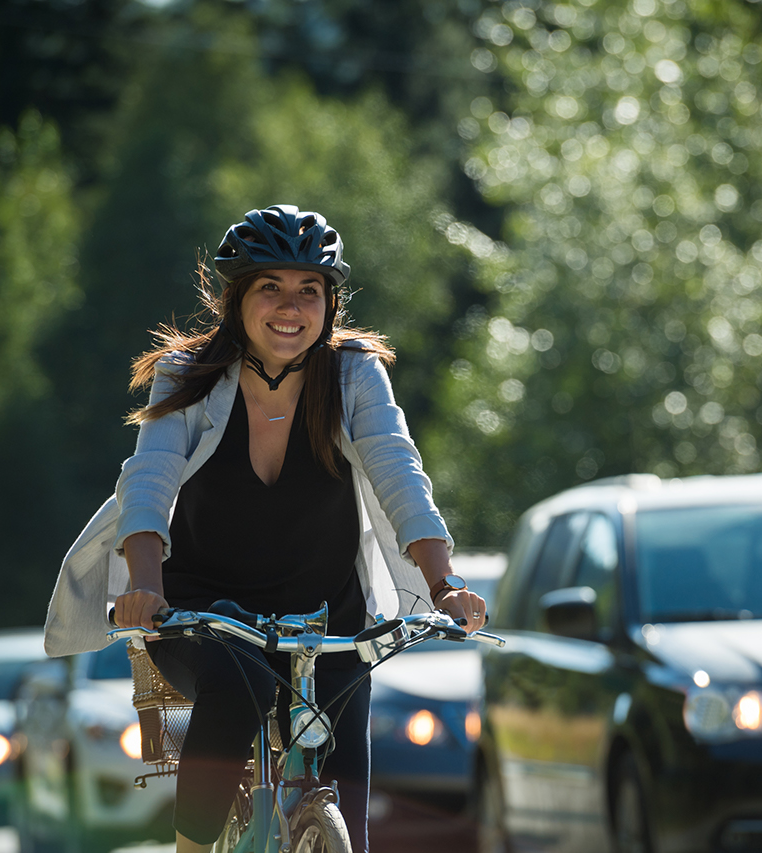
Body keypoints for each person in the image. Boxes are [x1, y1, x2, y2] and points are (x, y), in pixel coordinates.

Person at [43, 204, 486, 852]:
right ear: (236, 298)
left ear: (330, 302)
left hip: (326, 611)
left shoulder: (354, 372)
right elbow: (150, 480)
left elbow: (399, 471)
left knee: (345, 760)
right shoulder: (190, 376)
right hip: (205, 611)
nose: (291, 306)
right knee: (237, 680)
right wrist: (143, 585)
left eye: (310, 289)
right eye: (270, 287)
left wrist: (444, 583)